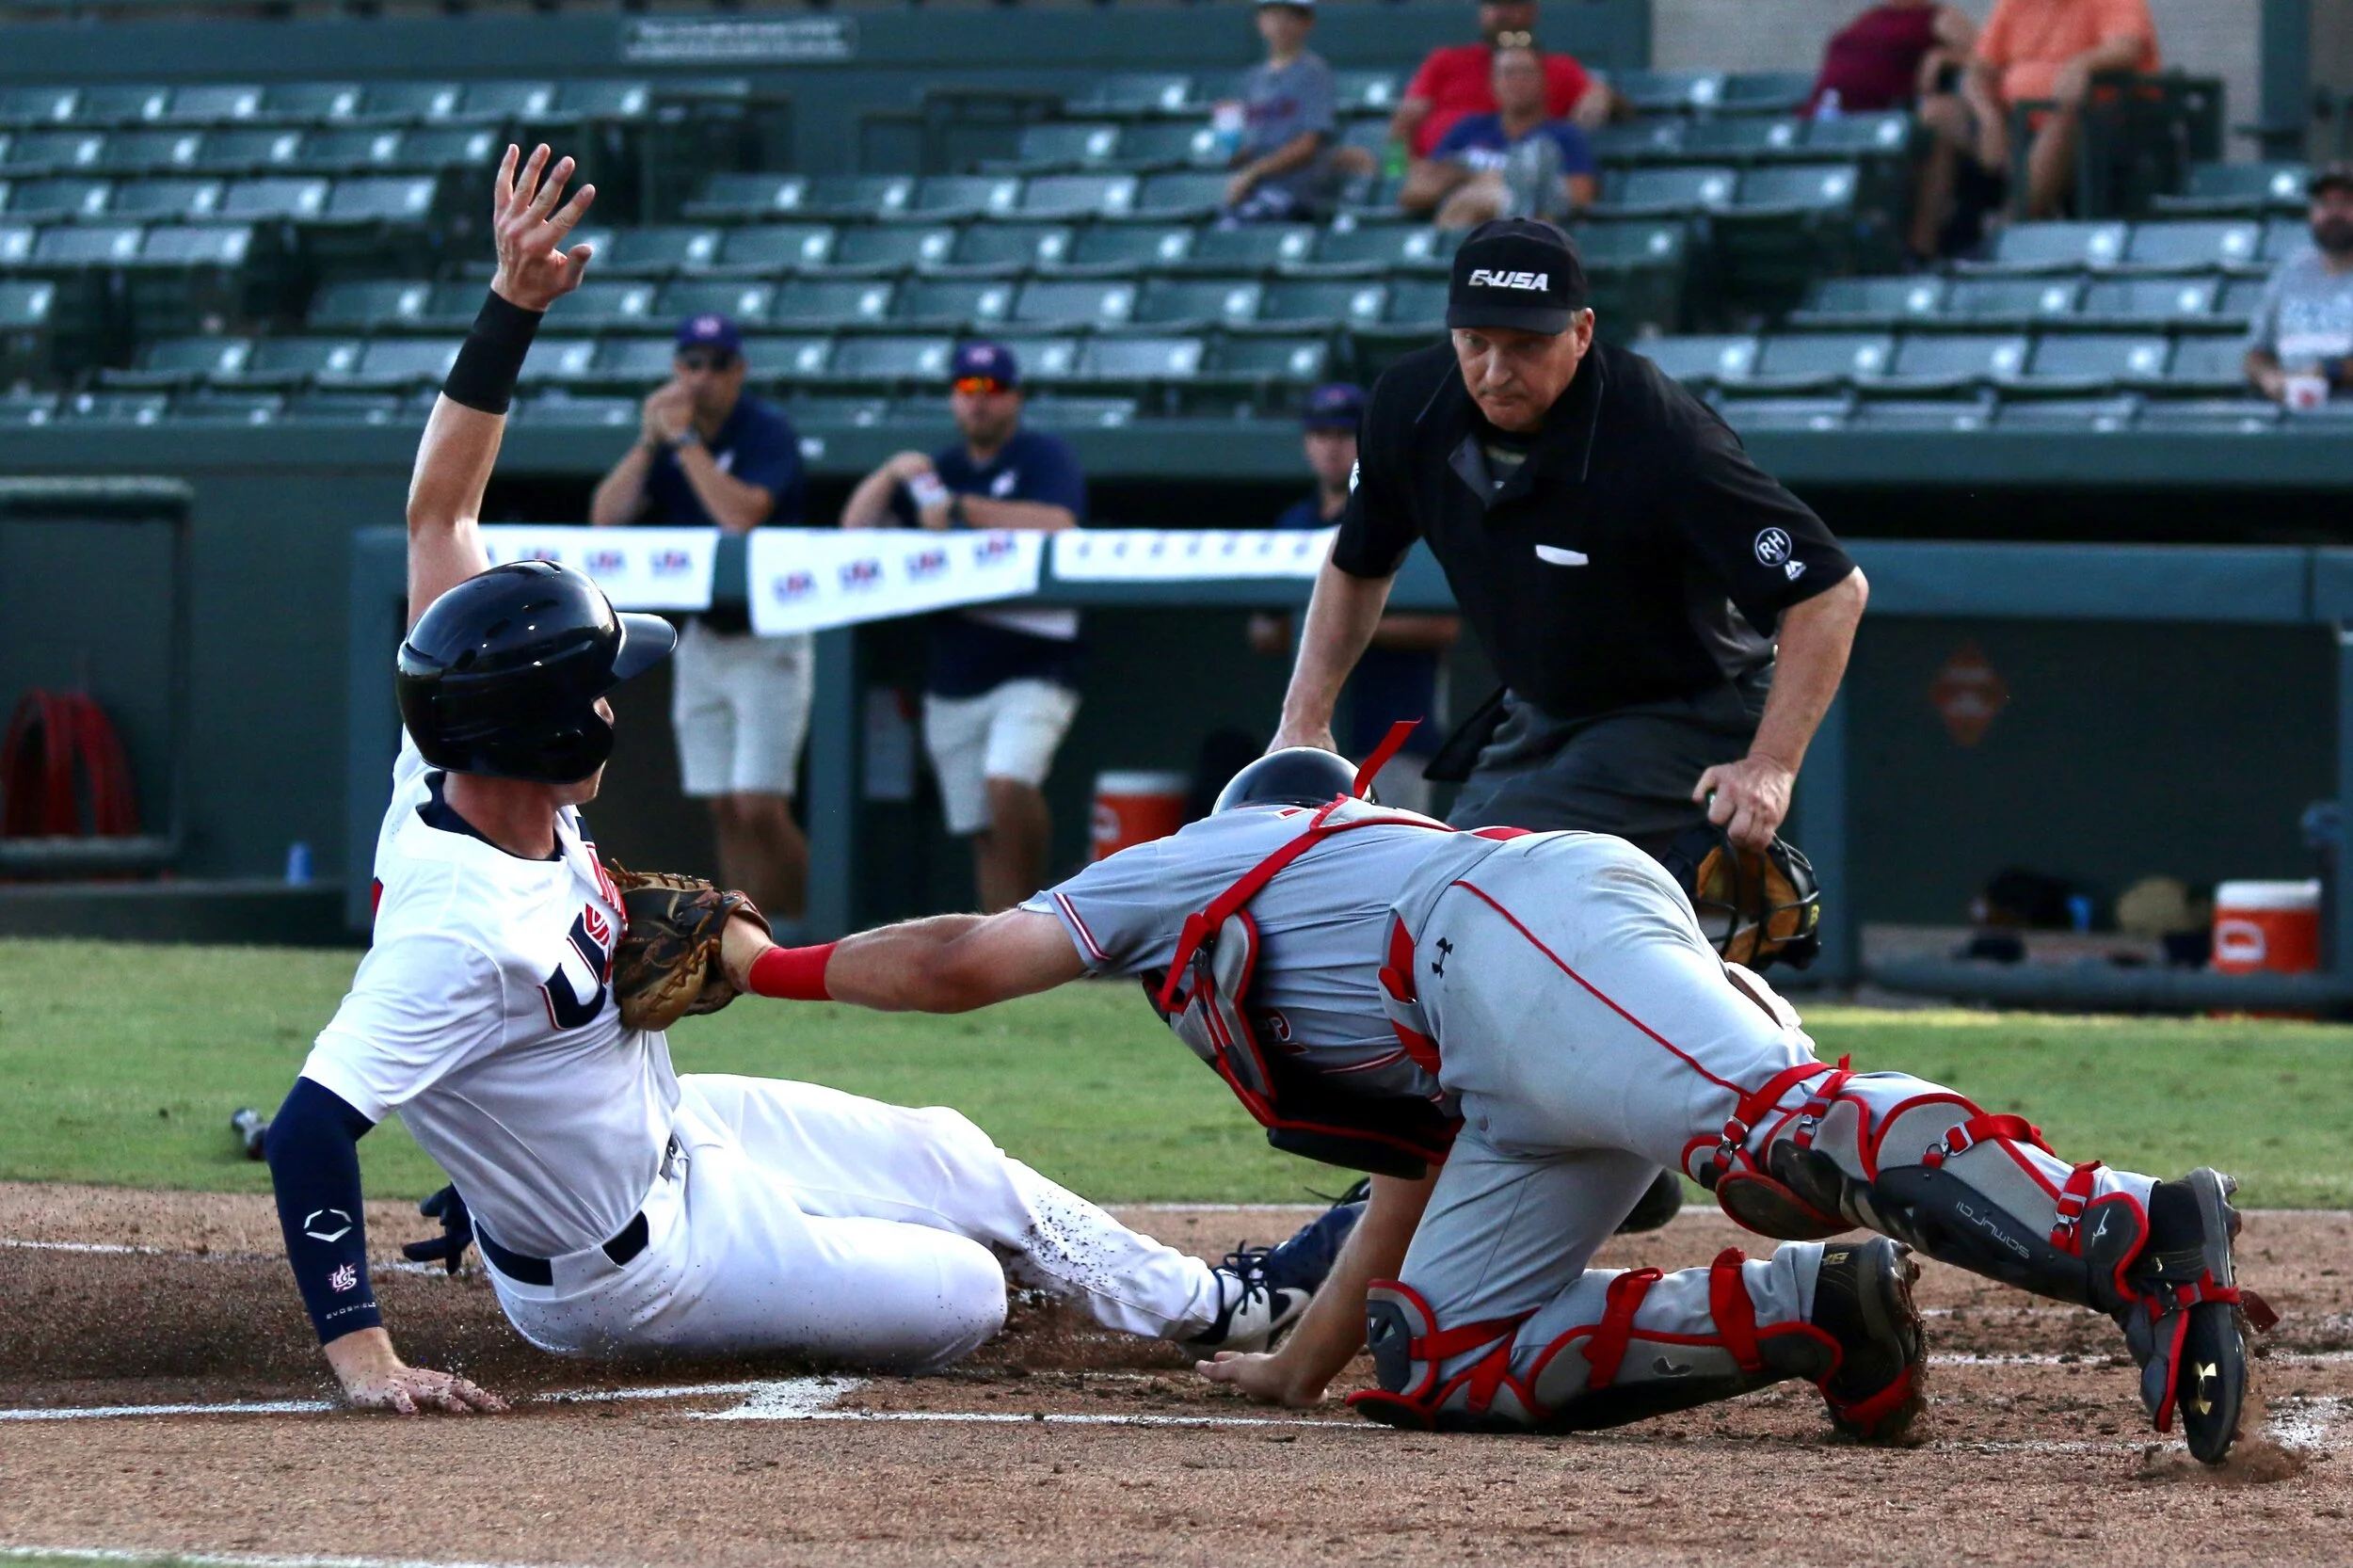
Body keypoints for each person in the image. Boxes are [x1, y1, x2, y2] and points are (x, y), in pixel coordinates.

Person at [262, 145, 1360, 1416]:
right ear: (549, 732)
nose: (617, 703)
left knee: (949, 1150)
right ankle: (971, 1286)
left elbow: (438, 514)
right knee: (966, 1289)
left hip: (675, 1128)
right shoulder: (454, 931)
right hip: (629, 1271)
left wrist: (512, 304)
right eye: (603, 688)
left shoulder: (452, 752)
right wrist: (365, 1353)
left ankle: (1226, 1303)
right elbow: (307, 1128)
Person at [723, 742, 2265, 1462]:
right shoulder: (1328, 906)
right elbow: (1406, 1187)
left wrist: (766, 966)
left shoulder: (1219, 852)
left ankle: (2132, 1228)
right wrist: (1298, 1368)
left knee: (1771, 1132)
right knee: (1443, 1353)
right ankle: (1820, 1311)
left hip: (1513, 938)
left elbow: (962, 959)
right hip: (1499, 1056)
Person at [1273, 219, 1868, 869]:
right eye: (1475, 341)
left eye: (1527, 345)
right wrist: (1304, 721)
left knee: (1470, 876)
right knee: (1441, 898)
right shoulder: (1409, 404)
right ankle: (1691, 922)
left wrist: (1770, 766)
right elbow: (1357, 563)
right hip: (1539, 709)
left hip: (1683, 707)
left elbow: (1832, 591)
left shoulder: (1660, 432)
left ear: (1582, 332)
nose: (1496, 371)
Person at [840, 342, 1086, 913]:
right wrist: (891, 472)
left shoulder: (1042, 455)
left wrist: (962, 511)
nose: (979, 402)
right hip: (955, 670)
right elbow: (856, 530)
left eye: (992, 390)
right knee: (979, 826)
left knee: (1008, 782)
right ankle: (1004, 936)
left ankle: (1037, 914)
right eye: (967, 389)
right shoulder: (942, 467)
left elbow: (1059, 521)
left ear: (1015, 397)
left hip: (1034, 661)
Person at [588, 313, 811, 923]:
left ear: (738, 372)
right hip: (704, 636)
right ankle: (745, 930)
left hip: (769, 633)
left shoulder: (765, 431)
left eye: (717, 365)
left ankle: (805, 920)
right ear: (676, 369)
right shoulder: (667, 441)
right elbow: (606, 516)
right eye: (691, 364)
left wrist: (686, 442)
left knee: (760, 804)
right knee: (723, 805)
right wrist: (649, 441)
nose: (702, 377)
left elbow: (740, 515)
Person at [1252, 383, 1459, 818]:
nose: (1332, 447)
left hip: (1392, 732)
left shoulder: (1403, 516)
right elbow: (1262, 631)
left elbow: (1443, 625)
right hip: (1302, 736)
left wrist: (1342, 625)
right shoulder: (1294, 522)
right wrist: (1322, 629)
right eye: (1320, 434)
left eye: (1344, 435)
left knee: (1391, 848)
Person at [1801, 0, 1989, 260]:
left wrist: (1945, 58)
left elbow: (1987, 57)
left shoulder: (1938, 17)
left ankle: (1917, 250)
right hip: (1819, 119)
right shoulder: (1872, 17)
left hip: (1877, 123)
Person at [1963, 0, 2159, 220]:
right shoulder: (2013, 4)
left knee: (2065, 117)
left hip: (2099, 125)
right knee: (1942, 113)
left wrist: (2081, 64)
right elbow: (1977, 70)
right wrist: (1989, 118)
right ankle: (1937, 237)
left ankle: (2009, 226)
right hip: (2013, 120)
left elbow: (2127, 48)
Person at [1390, 0, 1611, 175]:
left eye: (1512, 5)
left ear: (1532, 11)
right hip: (1444, 178)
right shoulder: (1445, 61)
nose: (1503, 14)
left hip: (1520, 179)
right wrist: (1396, 173)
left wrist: (1600, 93)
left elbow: (1594, 105)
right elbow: (1401, 126)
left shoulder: (1558, 68)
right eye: (1494, 5)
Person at [1400, 43, 1598, 228]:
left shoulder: (1564, 136)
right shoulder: (1468, 128)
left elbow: (1580, 198)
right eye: (1508, 73)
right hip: (1466, 221)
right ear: (1492, 83)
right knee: (1468, 201)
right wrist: (1474, 178)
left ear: (1543, 81)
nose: (1517, 81)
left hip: (1530, 229)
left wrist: (1502, 184)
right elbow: (1414, 193)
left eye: (1526, 73)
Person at [1221, 0, 1342, 225]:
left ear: (1308, 23)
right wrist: (1228, 145)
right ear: (1260, 21)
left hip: (1296, 190)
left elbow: (1307, 145)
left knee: (1233, 225)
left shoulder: (1314, 72)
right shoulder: (1253, 78)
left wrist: (1251, 173)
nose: (1281, 24)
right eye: (1274, 15)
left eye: (1291, 16)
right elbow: (1247, 146)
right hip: (1255, 187)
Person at [2246, 165, 2353, 408]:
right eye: (2324, 204)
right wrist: (2268, 377)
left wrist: (2329, 372)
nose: (2334, 213)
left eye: (2346, 203)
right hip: (2288, 410)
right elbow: (2255, 355)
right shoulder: (2290, 272)